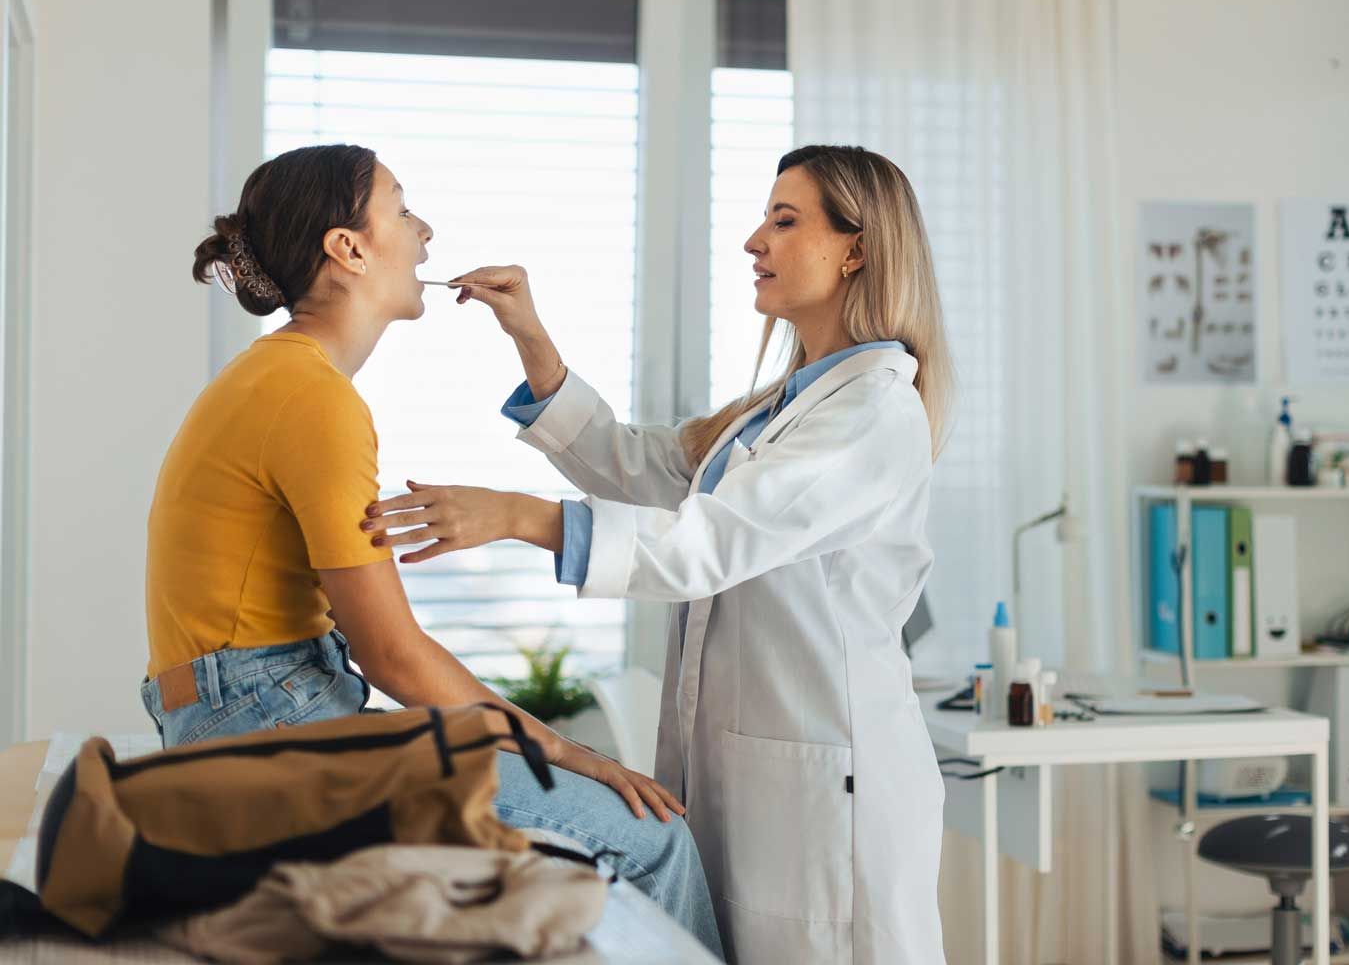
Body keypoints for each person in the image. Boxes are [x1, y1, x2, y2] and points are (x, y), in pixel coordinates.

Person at [365, 145, 954, 964]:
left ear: (856, 248)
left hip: (830, 791)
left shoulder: (874, 413)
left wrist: (518, 517)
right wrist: (530, 336)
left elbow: (703, 545)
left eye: (784, 221)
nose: (755, 240)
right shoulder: (778, 410)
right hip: (751, 773)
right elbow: (631, 464)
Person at [141, 143, 722, 958]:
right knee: (649, 836)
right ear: (347, 249)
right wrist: (561, 750)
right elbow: (393, 654)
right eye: (403, 209)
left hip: (250, 716)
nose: (426, 233)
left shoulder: (276, 379)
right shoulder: (313, 399)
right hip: (270, 728)